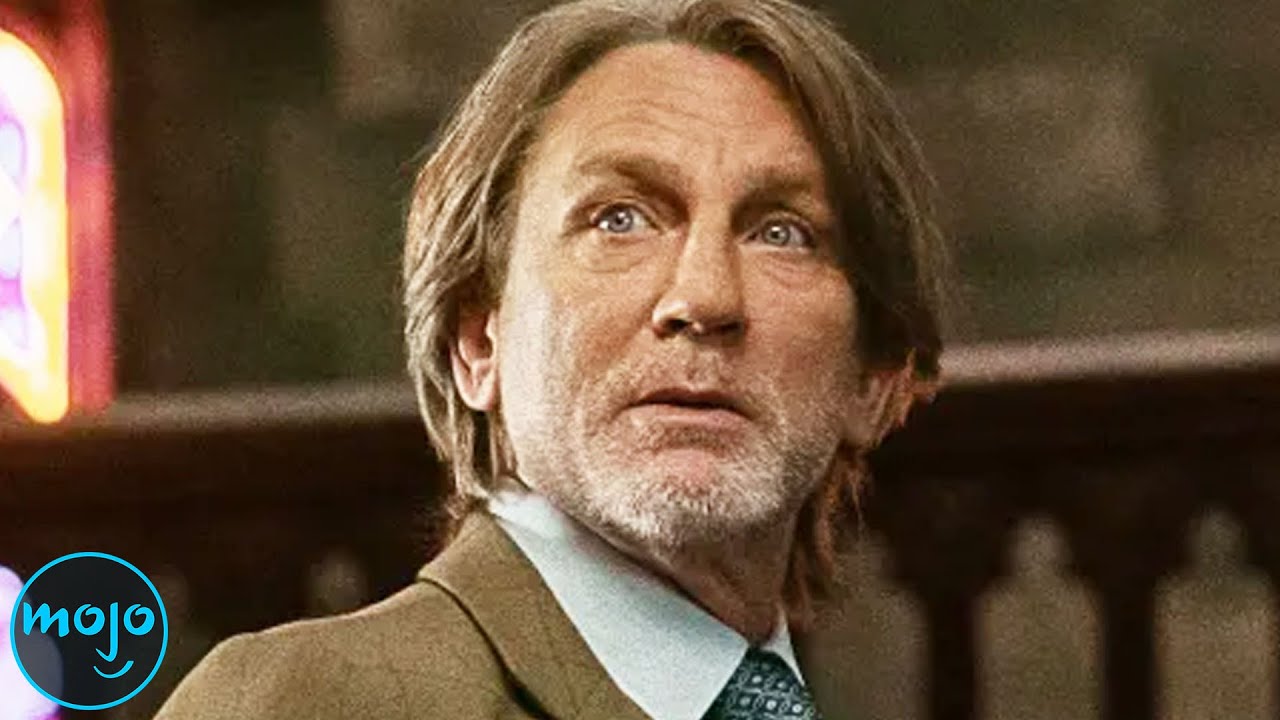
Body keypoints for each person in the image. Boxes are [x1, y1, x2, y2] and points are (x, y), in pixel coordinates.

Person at [155, 0, 945, 717]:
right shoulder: (311, 702)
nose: (704, 297)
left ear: (876, 379)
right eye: (620, 219)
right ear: (479, 341)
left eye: (782, 233)